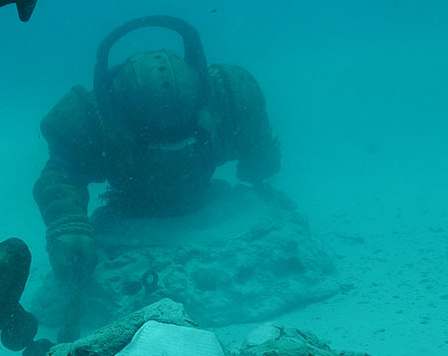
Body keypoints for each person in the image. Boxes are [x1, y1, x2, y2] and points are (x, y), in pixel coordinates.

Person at [34, 15, 282, 285]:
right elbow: (61, 174)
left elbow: (258, 161)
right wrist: (68, 225)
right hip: (128, 221)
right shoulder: (87, 121)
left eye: (184, 142)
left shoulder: (233, 97)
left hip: (206, 210)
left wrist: (261, 157)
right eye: (157, 147)